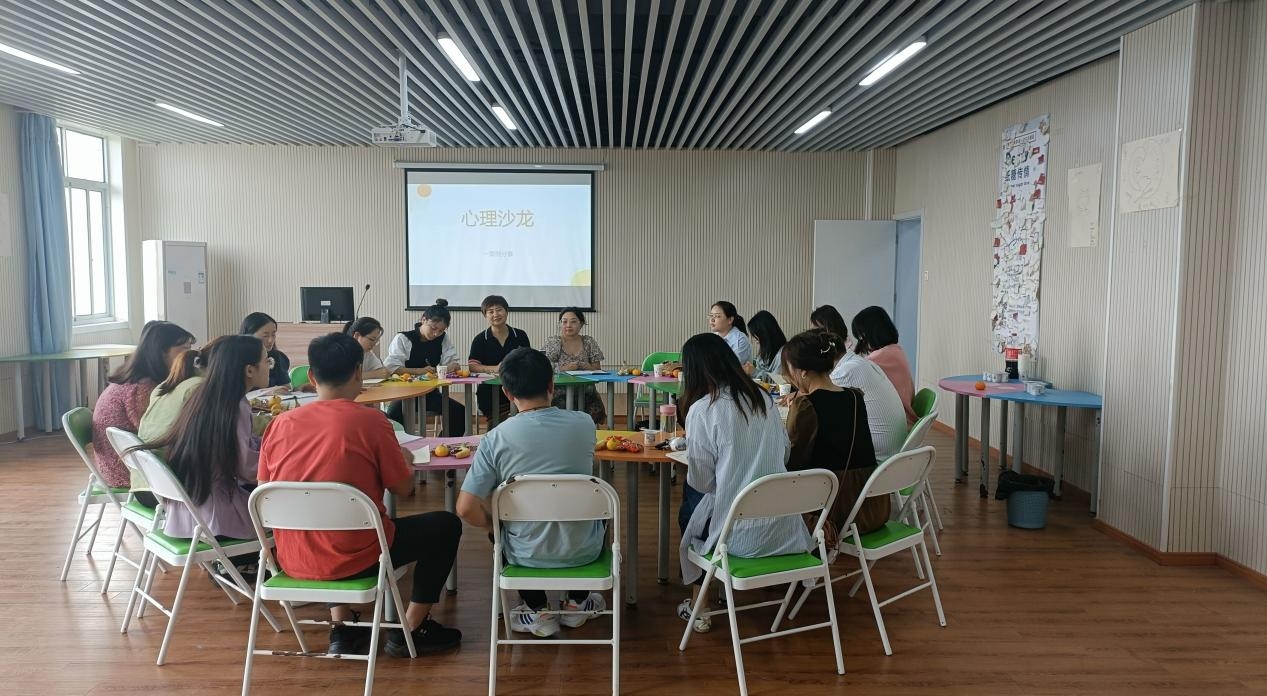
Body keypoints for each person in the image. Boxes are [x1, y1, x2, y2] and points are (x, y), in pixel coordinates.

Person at [259, 333, 462, 657]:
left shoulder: (279, 424)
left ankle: (342, 627)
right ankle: (411, 629)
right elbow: (404, 489)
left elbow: (265, 493)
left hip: (293, 558)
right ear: (358, 372)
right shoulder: (372, 421)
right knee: (446, 525)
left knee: (324, 516)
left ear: (311, 376)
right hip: (359, 557)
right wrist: (405, 460)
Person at [456, 347, 605, 638]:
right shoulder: (584, 424)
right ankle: (576, 603)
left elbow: (465, 508)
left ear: (507, 393)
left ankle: (537, 610)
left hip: (523, 553)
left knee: (500, 518)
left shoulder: (495, 438)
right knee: (596, 501)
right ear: (551, 385)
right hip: (584, 550)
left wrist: (493, 526)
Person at [676, 333, 813, 633]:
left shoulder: (703, 409)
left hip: (735, 539)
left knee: (691, 500)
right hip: (784, 530)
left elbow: (702, 481)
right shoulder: (763, 398)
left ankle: (700, 604)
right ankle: (707, 597)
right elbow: (785, 453)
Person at [136, 335, 268, 545]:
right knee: (285, 510)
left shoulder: (204, 395)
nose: (269, 366)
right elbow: (246, 468)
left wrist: (268, 445)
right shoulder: (235, 405)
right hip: (217, 519)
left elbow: (239, 447)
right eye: (267, 361)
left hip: (186, 514)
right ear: (249, 370)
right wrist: (280, 460)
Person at [781, 330, 890, 534]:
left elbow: (794, 460)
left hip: (834, 507)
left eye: (789, 369)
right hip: (872, 503)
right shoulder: (855, 397)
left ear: (803, 371)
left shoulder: (806, 405)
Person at [91, 320, 195, 489]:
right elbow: (155, 434)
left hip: (123, 463)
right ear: (161, 352)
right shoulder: (141, 389)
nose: (189, 356)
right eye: (184, 350)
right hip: (129, 471)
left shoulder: (138, 380)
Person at [823, 330, 908, 464]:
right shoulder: (860, 363)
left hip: (878, 460)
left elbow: (820, 406)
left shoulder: (844, 372)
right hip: (895, 453)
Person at [384, 300, 465, 436]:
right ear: (423, 320)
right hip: (405, 394)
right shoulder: (403, 338)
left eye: (441, 331)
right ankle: (402, 446)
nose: (436, 334)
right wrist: (418, 371)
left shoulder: (443, 339)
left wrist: (449, 367)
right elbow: (391, 367)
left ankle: (442, 444)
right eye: (433, 328)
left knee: (459, 412)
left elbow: (452, 363)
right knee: (393, 415)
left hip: (430, 394)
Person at [468, 295, 531, 424]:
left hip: (518, 388)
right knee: (501, 421)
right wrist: (496, 368)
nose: (495, 314)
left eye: (499, 310)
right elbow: (473, 366)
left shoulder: (520, 335)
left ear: (506, 312)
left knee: (526, 414)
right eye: (490, 312)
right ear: (485, 315)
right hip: (489, 392)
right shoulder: (480, 339)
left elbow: (528, 361)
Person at [540, 307, 607, 425]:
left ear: (581, 324)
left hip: (586, 391)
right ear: (560, 324)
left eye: (573, 321)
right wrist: (564, 368)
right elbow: (543, 368)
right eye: (564, 321)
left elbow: (597, 368)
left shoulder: (588, 341)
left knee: (592, 413)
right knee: (562, 418)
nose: (568, 325)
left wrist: (588, 367)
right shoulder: (554, 342)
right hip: (559, 392)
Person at [852, 306, 917, 425]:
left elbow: (854, 371)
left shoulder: (880, 356)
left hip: (894, 421)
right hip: (902, 416)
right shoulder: (896, 350)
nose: (861, 340)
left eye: (862, 335)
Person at [240, 312, 308, 391]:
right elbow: (234, 392)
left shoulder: (277, 357)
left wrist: (297, 389)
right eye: (265, 336)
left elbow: (285, 388)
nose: (270, 340)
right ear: (248, 336)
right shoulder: (236, 360)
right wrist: (267, 392)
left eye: (273, 335)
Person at [708, 301, 752, 369]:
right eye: (711, 315)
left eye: (717, 316)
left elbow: (733, 366)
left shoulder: (740, 339)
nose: (712, 320)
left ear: (730, 320)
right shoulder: (713, 337)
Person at [747, 310, 788, 382]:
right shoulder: (765, 351)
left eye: (755, 335)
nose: (753, 339)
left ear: (764, 333)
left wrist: (754, 372)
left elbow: (778, 381)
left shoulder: (784, 353)